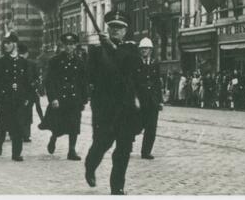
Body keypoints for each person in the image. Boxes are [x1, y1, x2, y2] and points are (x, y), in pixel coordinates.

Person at [84, 10, 142, 195]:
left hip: (125, 110)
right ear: (107, 29)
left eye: (120, 28)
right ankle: (90, 166)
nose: (116, 31)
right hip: (104, 110)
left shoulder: (131, 50)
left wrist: (111, 47)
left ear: (126, 31)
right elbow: (89, 77)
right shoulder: (96, 52)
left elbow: (129, 65)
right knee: (101, 145)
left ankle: (117, 187)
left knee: (123, 150)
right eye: (112, 27)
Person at [40, 32, 89, 161]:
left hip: (74, 98)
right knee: (58, 124)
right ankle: (53, 138)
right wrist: (53, 98)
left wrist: (84, 98)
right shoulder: (55, 61)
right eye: (66, 45)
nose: (69, 47)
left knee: (74, 125)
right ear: (63, 46)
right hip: (60, 99)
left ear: (75, 46)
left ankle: (71, 150)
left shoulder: (79, 62)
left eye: (72, 45)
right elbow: (49, 81)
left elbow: (83, 81)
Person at [0, 32, 37, 162]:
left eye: (9, 43)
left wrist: (28, 97)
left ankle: (16, 153)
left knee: (18, 125)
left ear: (15, 44)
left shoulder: (24, 63)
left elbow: (28, 82)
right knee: (4, 124)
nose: (6, 45)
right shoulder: (0, 62)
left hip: (19, 99)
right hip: (4, 98)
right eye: (5, 42)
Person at [135, 37, 163, 160]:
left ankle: (146, 151)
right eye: (142, 49)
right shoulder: (136, 63)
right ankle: (127, 145)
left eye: (146, 49)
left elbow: (157, 82)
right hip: (140, 100)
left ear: (150, 50)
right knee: (135, 126)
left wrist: (160, 100)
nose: (144, 51)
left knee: (151, 127)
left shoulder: (154, 63)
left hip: (152, 100)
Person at [17, 43, 38, 143]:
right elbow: (36, 79)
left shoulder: (15, 62)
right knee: (27, 114)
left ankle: (17, 133)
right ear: (27, 53)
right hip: (29, 93)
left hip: (18, 93)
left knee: (18, 113)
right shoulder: (32, 64)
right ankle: (26, 135)